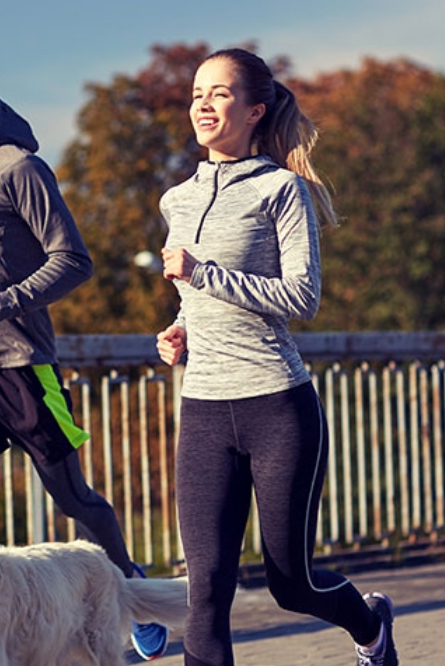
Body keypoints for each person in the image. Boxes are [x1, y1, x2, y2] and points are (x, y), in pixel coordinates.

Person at [0, 48, 170, 661]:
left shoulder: (19, 168)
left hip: (23, 367)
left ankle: (128, 589)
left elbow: (73, 261)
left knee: (73, 499)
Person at [155, 47, 397, 666]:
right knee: (206, 591)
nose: (202, 105)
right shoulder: (176, 202)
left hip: (276, 406)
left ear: (255, 110)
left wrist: (203, 274)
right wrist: (179, 327)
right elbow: (196, 297)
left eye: (219, 94)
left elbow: (301, 295)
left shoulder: (280, 190)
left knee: (291, 584)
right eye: (196, 94)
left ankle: (370, 627)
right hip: (205, 408)